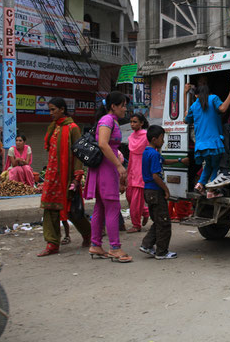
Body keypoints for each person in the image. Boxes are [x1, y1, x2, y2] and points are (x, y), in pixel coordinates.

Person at [37, 97, 91, 257]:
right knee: (49, 209)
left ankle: (88, 234)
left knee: (73, 211)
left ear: (62, 109)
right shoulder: (53, 128)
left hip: (67, 178)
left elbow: (79, 153)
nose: (51, 113)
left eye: (53, 109)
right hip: (52, 178)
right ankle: (52, 243)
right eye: (50, 110)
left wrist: (77, 177)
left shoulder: (73, 128)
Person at [84, 91, 132, 263]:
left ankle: (96, 244)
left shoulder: (109, 121)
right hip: (106, 169)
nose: (125, 109)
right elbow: (103, 144)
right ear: (113, 106)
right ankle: (115, 248)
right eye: (123, 105)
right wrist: (119, 166)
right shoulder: (108, 120)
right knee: (112, 206)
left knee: (101, 207)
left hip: (102, 168)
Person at [139, 125, 189, 260]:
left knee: (158, 220)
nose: (163, 141)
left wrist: (180, 161)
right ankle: (162, 251)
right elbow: (155, 175)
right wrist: (166, 190)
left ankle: (147, 245)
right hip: (155, 191)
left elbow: (164, 161)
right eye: (162, 138)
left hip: (148, 191)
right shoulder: (154, 154)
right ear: (154, 139)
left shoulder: (148, 152)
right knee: (164, 222)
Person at [184, 82, 230, 197]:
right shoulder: (213, 98)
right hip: (213, 142)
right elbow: (222, 109)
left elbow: (186, 119)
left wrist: (184, 95)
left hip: (200, 144)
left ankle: (200, 184)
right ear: (209, 92)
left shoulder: (194, 106)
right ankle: (211, 190)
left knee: (208, 165)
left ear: (196, 95)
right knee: (216, 166)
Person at [126, 113, 150, 233]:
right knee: (129, 197)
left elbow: (151, 152)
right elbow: (131, 156)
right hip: (132, 171)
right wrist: (127, 172)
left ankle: (136, 225)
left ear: (141, 123)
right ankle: (146, 212)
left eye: (135, 122)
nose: (132, 124)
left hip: (141, 171)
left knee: (135, 201)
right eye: (131, 122)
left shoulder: (146, 136)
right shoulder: (131, 137)